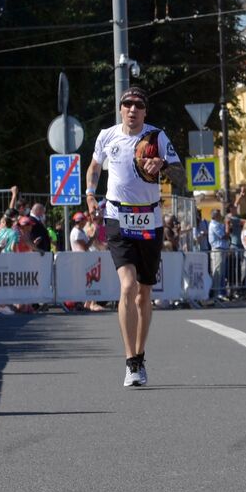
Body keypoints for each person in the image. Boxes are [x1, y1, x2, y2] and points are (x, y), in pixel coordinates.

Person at [85, 86, 185, 387]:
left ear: (145, 111)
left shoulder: (157, 137)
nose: (132, 109)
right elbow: (94, 167)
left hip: (150, 219)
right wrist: (90, 194)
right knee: (127, 285)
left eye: (137, 105)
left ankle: (140, 356)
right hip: (117, 216)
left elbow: (181, 175)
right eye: (126, 104)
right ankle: (130, 362)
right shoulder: (107, 136)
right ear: (120, 109)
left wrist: (164, 165)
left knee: (144, 293)